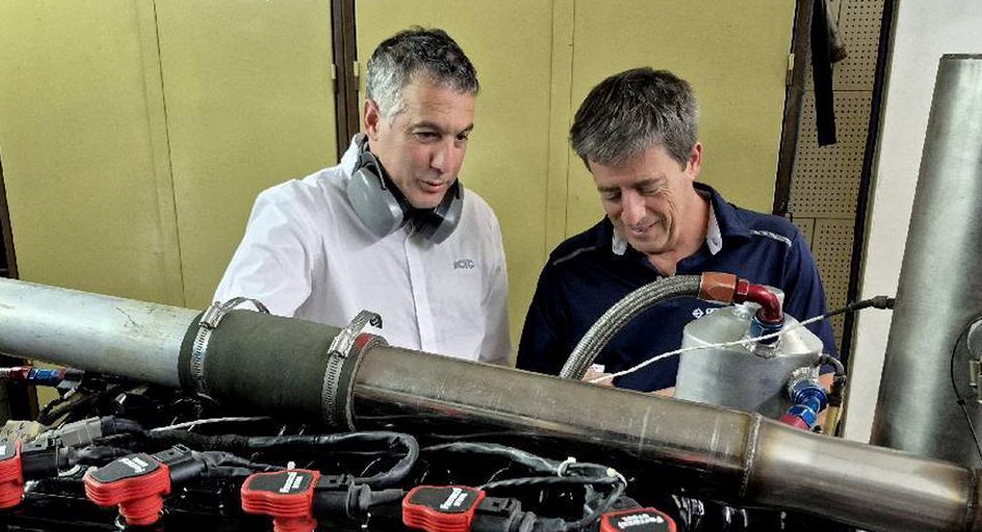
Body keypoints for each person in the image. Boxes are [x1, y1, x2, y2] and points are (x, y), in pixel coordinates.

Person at [516, 68, 835, 391]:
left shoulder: (776, 251)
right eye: (611, 194)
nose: (633, 216)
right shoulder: (570, 270)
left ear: (693, 160)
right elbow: (529, 401)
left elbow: (819, 388)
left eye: (650, 188)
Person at [215, 28, 510, 365]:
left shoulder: (479, 220)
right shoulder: (295, 214)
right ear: (372, 120)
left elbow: (493, 364)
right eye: (427, 134)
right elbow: (232, 358)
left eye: (460, 138)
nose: (445, 163)